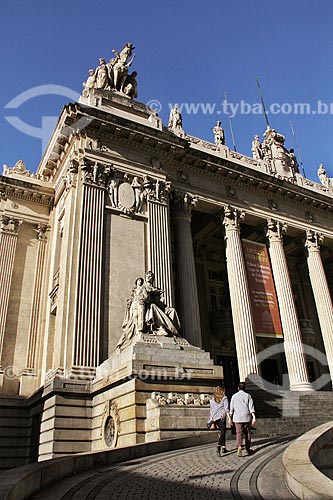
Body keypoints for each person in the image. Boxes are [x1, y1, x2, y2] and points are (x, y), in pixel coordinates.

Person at [229, 382, 256, 457]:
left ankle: (239, 447)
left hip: (237, 417)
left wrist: (230, 418)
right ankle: (248, 448)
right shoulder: (248, 396)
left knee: (239, 433)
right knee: (247, 432)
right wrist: (254, 417)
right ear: (245, 388)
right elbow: (251, 407)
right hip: (246, 417)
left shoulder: (234, 396)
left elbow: (231, 408)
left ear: (238, 388)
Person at [209, 386, 230, 456]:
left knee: (222, 432)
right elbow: (226, 409)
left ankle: (224, 447)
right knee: (223, 432)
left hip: (215, 418)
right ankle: (219, 445)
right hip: (221, 417)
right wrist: (229, 418)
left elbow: (211, 409)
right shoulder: (224, 398)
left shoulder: (213, 399)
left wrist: (212, 419)